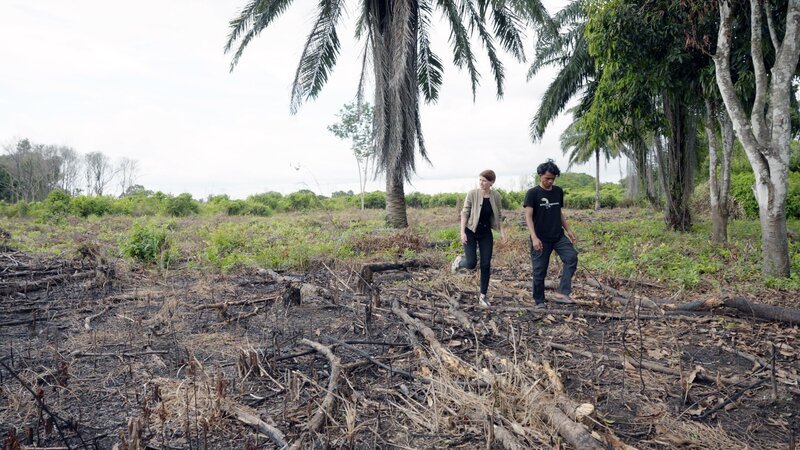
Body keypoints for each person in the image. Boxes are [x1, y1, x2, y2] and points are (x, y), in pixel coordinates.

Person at [524, 160, 578, 309]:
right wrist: (534, 237)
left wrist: (569, 230)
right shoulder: (532, 193)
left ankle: (562, 292)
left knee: (571, 258)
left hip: (558, 236)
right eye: (547, 178)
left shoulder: (558, 191)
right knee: (539, 270)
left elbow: (558, 212)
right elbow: (528, 216)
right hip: (540, 238)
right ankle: (539, 301)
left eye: (552, 179)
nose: (550, 181)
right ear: (540, 175)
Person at [451, 169, 506, 307]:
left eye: (484, 181)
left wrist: (502, 232)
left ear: (491, 182)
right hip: (470, 231)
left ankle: (483, 296)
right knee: (471, 263)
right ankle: (459, 261)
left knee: (486, 264)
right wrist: (462, 232)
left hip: (486, 233)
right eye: (480, 179)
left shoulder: (496, 196)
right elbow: (465, 213)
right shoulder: (472, 194)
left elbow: (498, 216)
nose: (481, 183)